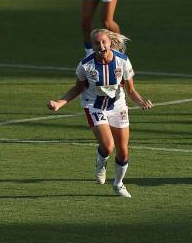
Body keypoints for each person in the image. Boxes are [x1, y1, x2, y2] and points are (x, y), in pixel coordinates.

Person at [47, 29, 153, 198]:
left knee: (123, 152)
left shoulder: (122, 61)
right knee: (108, 146)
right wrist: (59, 103)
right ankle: (100, 162)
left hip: (118, 106)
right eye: (96, 43)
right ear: (93, 45)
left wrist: (140, 102)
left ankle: (118, 184)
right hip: (94, 106)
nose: (101, 46)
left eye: (104, 42)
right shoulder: (85, 65)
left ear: (110, 42)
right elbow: (78, 88)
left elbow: (130, 90)